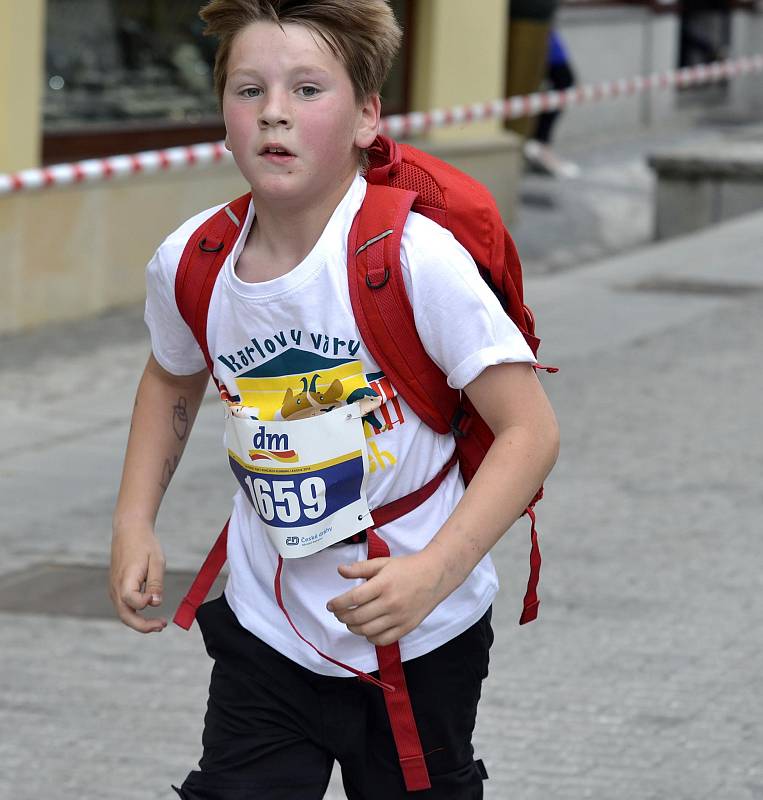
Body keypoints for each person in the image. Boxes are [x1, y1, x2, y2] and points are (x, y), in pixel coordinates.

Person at [109, 1, 560, 798]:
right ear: (223, 115)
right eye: (248, 89)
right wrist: (134, 521)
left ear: (366, 117)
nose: (273, 111)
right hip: (267, 624)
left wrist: (432, 573)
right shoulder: (193, 259)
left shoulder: (416, 259)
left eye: (308, 89)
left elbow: (528, 432)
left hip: (420, 637)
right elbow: (171, 375)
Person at [523, 29, 581, 180]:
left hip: (543, 28)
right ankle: (538, 144)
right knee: (562, 81)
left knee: (562, 84)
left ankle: (538, 144)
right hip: (534, 28)